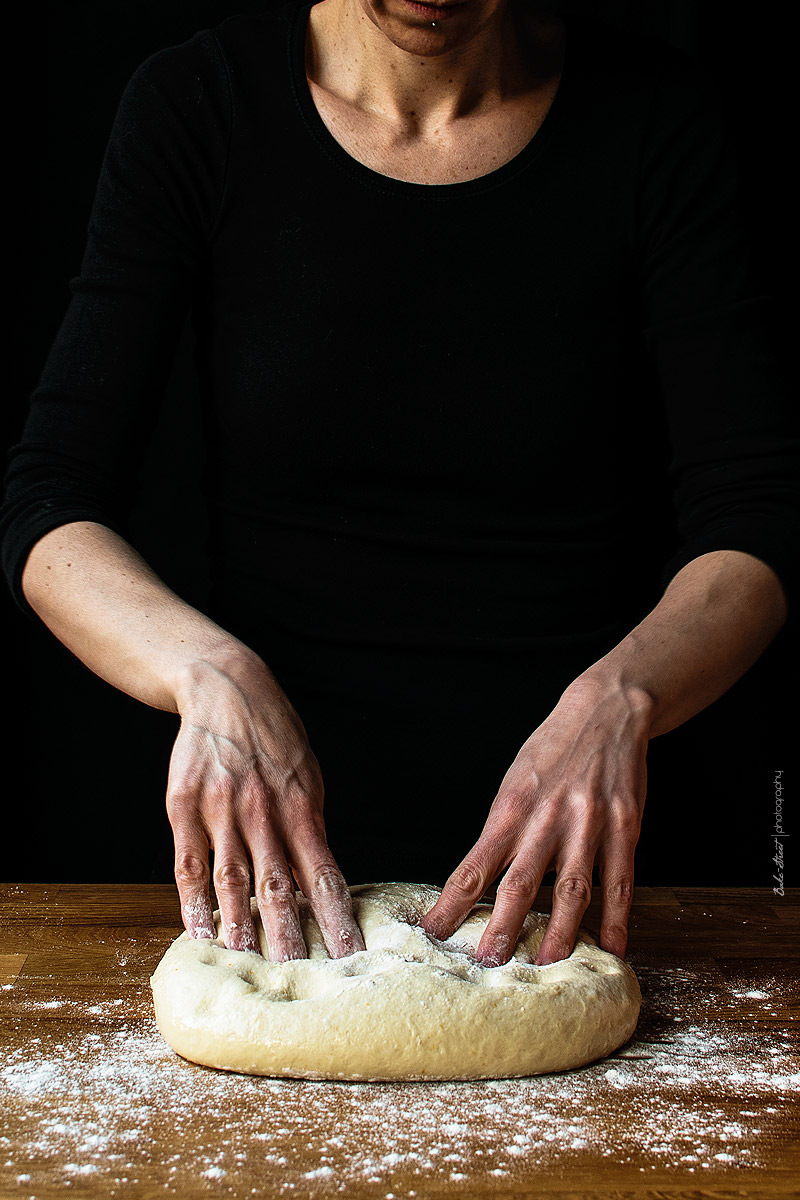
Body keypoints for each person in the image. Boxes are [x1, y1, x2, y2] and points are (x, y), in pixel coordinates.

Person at [2, 0, 797, 969]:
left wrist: (625, 694)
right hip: (278, 897)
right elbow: (50, 503)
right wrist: (204, 671)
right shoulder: (198, 107)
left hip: (585, 894)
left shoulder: (651, 117)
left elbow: (753, 518)